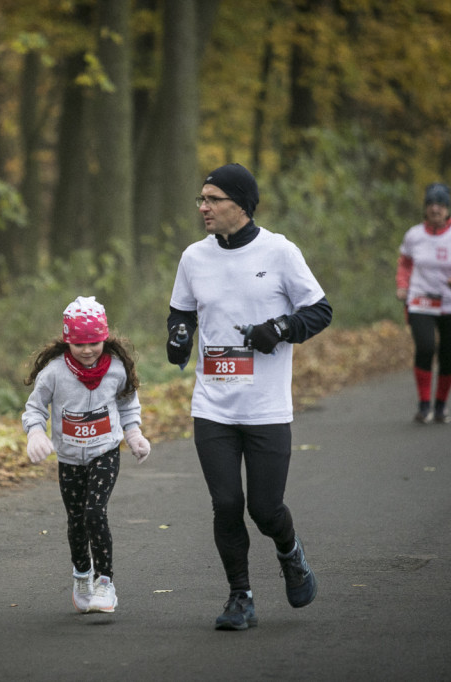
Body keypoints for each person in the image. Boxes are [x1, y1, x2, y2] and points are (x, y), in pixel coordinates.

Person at [166, 163, 332, 631]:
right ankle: (241, 596)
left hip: (265, 406)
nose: (203, 208)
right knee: (225, 503)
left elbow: (320, 311)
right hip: (212, 405)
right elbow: (180, 313)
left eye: (212, 200)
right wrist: (178, 336)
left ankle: (290, 552)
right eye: (200, 199)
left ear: (240, 203)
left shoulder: (279, 252)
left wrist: (280, 329)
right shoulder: (193, 258)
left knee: (264, 508)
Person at [22, 295, 151, 614]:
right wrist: (36, 432)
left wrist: (133, 433)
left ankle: (105, 582)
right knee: (76, 520)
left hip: (105, 451)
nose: (88, 350)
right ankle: (82, 576)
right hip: (68, 458)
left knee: (95, 512)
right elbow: (35, 407)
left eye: (94, 342)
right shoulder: (53, 373)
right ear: (68, 342)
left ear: (104, 338)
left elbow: (127, 403)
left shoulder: (117, 369)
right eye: (79, 343)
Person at [395, 182, 451, 424]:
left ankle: (440, 404)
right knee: (425, 346)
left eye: (440, 205)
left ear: (447, 209)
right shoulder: (414, 235)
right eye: (431, 204)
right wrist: (402, 286)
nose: (435, 209)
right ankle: (424, 405)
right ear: (425, 208)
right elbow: (405, 263)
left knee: (448, 355)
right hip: (420, 300)